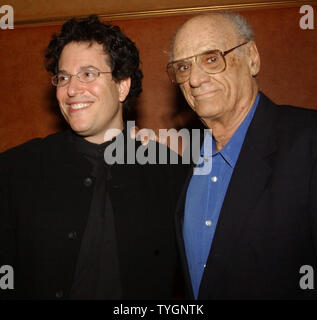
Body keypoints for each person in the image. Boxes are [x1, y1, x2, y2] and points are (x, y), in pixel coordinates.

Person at [0, 15, 187, 300]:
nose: (71, 89)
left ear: (122, 86)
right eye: (63, 77)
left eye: (88, 74)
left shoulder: (172, 174)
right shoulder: (16, 169)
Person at [167, 12, 317, 299]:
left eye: (211, 58)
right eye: (183, 67)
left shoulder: (309, 141)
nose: (195, 79)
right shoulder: (187, 163)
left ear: (252, 58)